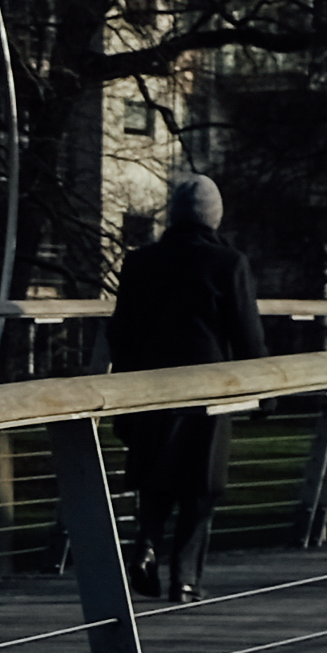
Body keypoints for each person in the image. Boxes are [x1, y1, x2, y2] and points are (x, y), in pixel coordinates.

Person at [105, 172, 271, 605]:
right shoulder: (229, 264)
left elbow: (121, 333)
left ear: (174, 216)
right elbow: (247, 335)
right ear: (215, 218)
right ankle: (184, 579)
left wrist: (122, 393)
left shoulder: (140, 262)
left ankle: (145, 544)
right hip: (207, 389)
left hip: (149, 387)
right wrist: (265, 391)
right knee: (200, 487)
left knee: (156, 479)